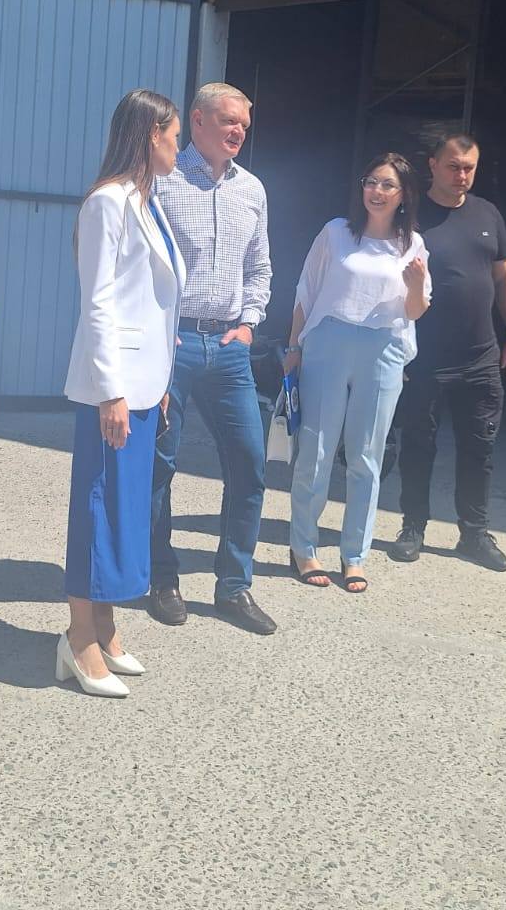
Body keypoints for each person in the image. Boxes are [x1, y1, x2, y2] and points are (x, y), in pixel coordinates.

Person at [59, 90, 185, 697]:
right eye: (174, 137)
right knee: (98, 509)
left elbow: (157, 305)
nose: (179, 148)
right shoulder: (107, 203)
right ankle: (79, 638)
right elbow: (99, 302)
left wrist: (158, 382)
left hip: (143, 384)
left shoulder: (146, 202)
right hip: (113, 388)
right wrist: (111, 390)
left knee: (123, 511)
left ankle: (105, 627)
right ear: (150, 134)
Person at [150, 82, 278, 635]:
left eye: (244, 125)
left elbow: (260, 266)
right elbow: (140, 263)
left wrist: (248, 324)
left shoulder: (251, 189)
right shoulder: (162, 179)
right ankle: (162, 579)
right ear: (197, 120)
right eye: (228, 121)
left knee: (250, 463)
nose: (237, 132)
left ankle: (234, 587)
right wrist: (155, 334)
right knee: (160, 466)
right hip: (172, 345)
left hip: (228, 349)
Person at [285, 153, 431, 593]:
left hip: (383, 348)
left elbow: (415, 310)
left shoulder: (413, 245)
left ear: (404, 195)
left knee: (367, 457)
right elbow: (306, 290)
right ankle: (303, 547)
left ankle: (355, 555)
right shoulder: (335, 233)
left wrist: (415, 285)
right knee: (316, 450)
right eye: (370, 182)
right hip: (328, 342)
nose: (377, 191)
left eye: (387, 185)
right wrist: (293, 347)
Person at [389, 132, 506, 572]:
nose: (461, 175)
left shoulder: (487, 214)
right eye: (453, 166)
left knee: (479, 447)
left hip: (480, 356)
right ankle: (413, 527)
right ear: (432, 165)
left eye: (469, 168)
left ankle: (474, 534)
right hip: (424, 357)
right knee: (418, 444)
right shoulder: (409, 214)